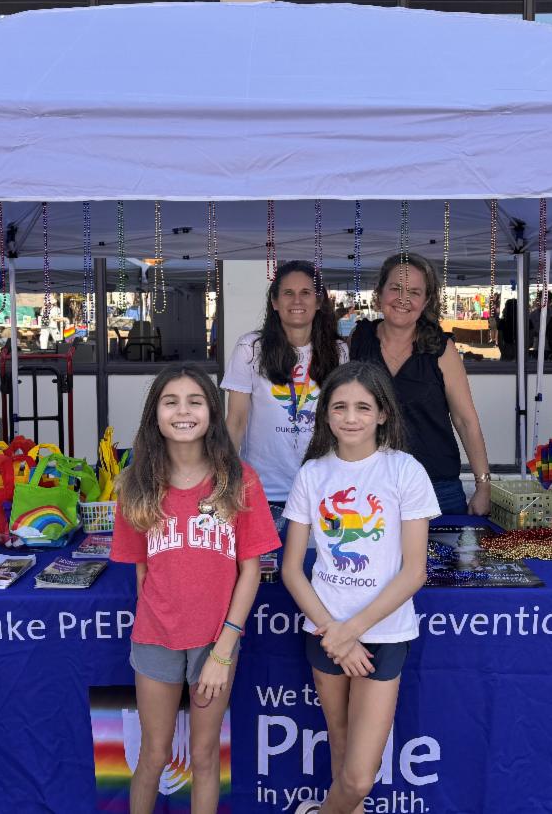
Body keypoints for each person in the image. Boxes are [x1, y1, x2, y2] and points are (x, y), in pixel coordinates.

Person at [109, 364, 280, 814]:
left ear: (212, 412)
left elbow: (250, 571)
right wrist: (162, 619)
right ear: (155, 414)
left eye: (195, 401)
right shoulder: (136, 484)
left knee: (204, 756)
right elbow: (142, 573)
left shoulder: (239, 479)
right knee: (153, 754)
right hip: (155, 638)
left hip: (215, 641)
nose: (183, 412)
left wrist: (223, 651)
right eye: (171, 402)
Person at [281, 362, 439, 814]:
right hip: (324, 633)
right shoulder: (312, 474)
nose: (351, 417)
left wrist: (350, 632)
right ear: (325, 414)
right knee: (341, 747)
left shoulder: (405, 471)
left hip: (382, 634)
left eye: (363, 407)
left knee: (358, 777)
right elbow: (291, 569)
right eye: (340, 407)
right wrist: (334, 632)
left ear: (383, 413)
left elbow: (414, 571)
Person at [349, 253, 492, 515]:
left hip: (436, 487)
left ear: (425, 301)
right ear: (379, 293)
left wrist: (483, 485)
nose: (403, 299)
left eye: (414, 292)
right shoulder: (359, 340)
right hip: (370, 487)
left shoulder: (441, 348)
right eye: (395, 288)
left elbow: (465, 420)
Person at [224, 261, 347, 507]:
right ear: (275, 302)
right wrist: (224, 479)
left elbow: (342, 419)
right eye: (288, 293)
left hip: (321, 488)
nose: (297, 301)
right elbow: (236, 421)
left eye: (306, 293)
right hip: (263, 491)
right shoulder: (251, 348)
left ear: (318, 301)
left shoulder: (338, 351)